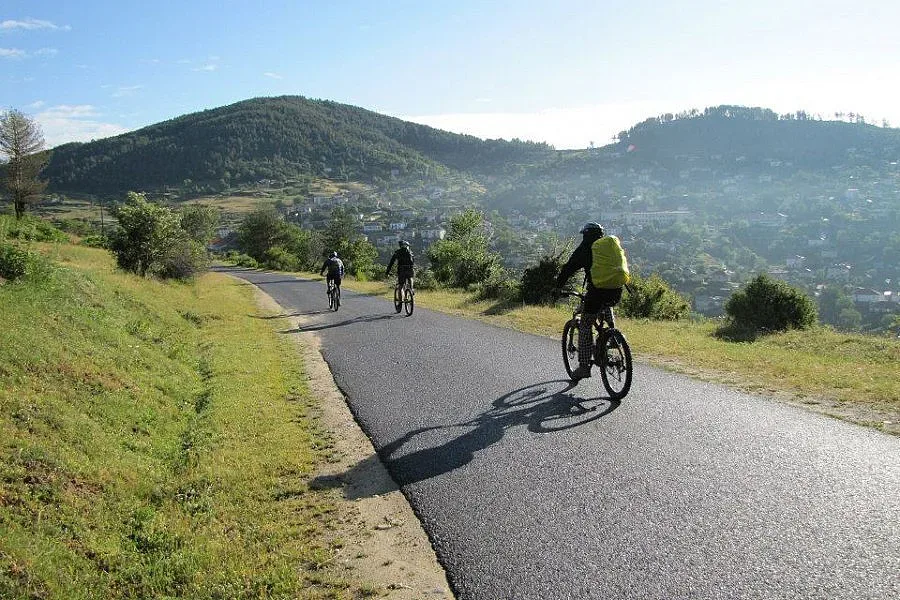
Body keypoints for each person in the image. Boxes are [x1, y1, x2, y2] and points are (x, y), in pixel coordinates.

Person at [554, 222, 630, 380]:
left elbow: (569, 268)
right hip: (616, 290)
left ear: (586, 235)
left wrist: (558, 287)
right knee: (606, 305)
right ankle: (612, 336)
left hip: (596, 292)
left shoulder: (586, 248)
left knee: (585, 325)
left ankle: (583, 367)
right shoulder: (609, 247)